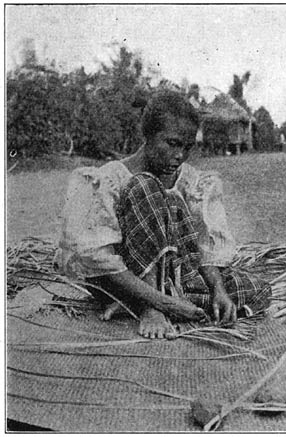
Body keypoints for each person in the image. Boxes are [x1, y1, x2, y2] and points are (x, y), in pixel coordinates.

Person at [56, 90, 271, 339]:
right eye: (172, 143)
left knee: (258, 290)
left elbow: (205, 245)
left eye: (187, 147)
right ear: (147, 135)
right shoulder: (111, 178)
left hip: (174, 277)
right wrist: (164, 304)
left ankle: (141, 303)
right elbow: (99, 258)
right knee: (146, 186)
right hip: (122, 277)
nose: (179, 155)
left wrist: (218, 290)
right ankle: (152, 305)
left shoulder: (192, 181)